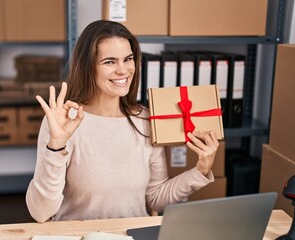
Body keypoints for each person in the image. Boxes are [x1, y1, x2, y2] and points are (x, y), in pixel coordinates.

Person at [26, 20, 219, 223]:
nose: (123, 70)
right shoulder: (62, 123)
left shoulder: (145, 120)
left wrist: (201, 170)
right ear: (88, 67)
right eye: (109, 62)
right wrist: (56, 146)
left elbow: (155, 199)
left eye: (128, 59)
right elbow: (40, 213)